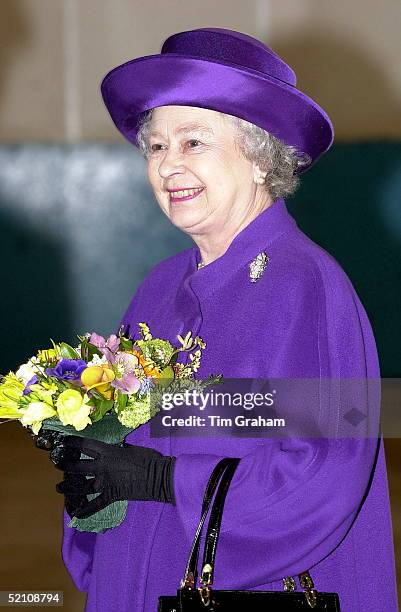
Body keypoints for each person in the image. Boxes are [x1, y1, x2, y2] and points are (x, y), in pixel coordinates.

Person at [43, 28, 398, 610]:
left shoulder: (304, 285)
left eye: (193, 142)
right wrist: (93, 470)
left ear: (261, 158)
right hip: (142, 571)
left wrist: (163, 481)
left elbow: (322, 474)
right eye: (155, 147)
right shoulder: (160, 286)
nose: (168, 165)